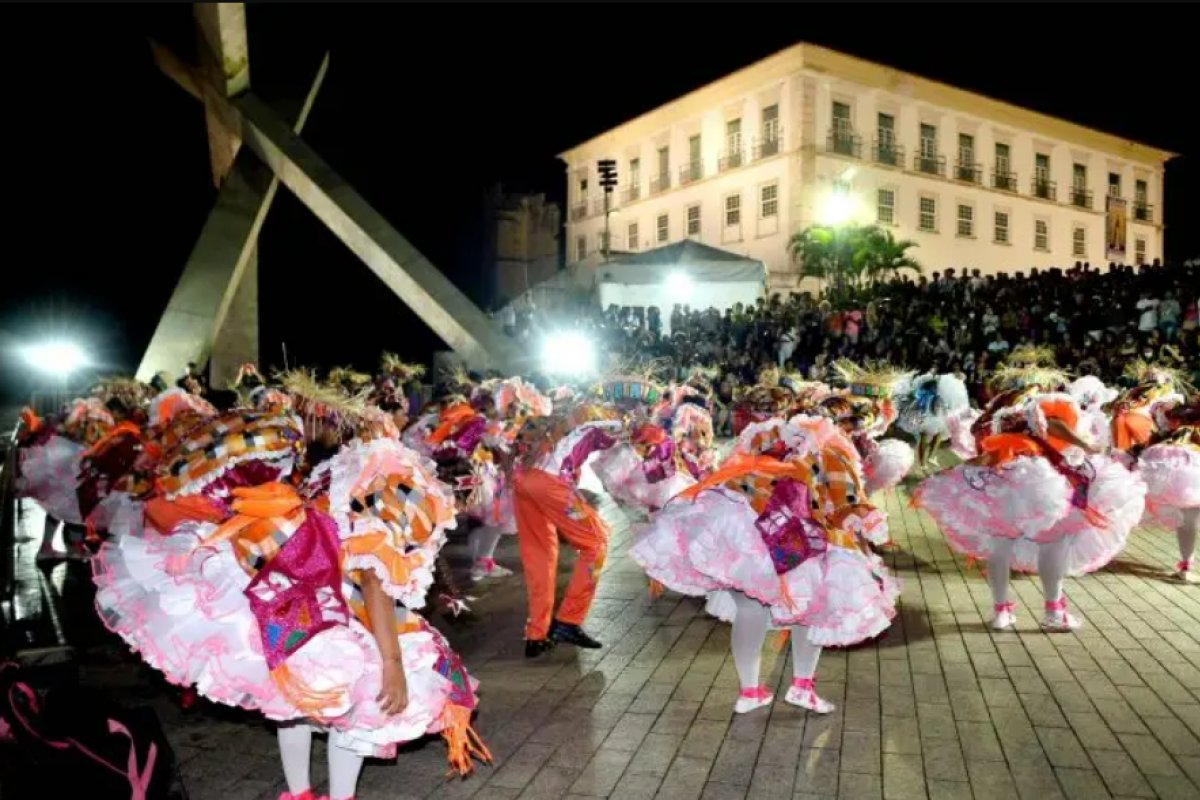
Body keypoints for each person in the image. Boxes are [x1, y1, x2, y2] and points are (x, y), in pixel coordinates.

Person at [630, 415, 897, 714]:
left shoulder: (764, 439)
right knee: (810, 612)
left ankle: (750, 692)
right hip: (793, 535)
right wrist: (868, 524)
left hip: (739, 525)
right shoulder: (833, 453)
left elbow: (730, 472)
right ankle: (801, 688)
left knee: (750, 609)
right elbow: (848, 503)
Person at [915, 363, 1146, 632]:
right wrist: (1086, 445)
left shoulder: (998, 407)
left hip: (1001, 476)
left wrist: (957, 470)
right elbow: (1055, 425)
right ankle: (1053, 612)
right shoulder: (1041, 400)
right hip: (1039, 480)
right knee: (1052, 543)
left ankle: (1001, 612)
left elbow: (985, 443)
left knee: (999, 545)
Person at [512, 402, 621, 657]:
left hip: (523, 481)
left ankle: (536, 635)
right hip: (548, 484)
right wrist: (629, 420)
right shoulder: (591, 423)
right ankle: (568, 622)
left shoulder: (558, 426)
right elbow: (610, 433)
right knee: (596, 543)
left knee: (539, 555)